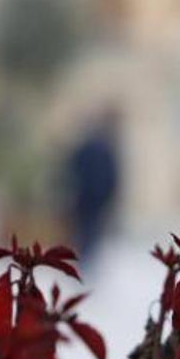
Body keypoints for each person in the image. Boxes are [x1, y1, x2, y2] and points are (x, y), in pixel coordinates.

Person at [64, 109, 120, 266]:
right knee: (88, 230)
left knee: (87, 231)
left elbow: (111, 175)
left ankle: (85, 261)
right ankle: (85, 261)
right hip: (89, 197)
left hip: (90, 197)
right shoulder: (98, 149)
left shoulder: (91, 149)